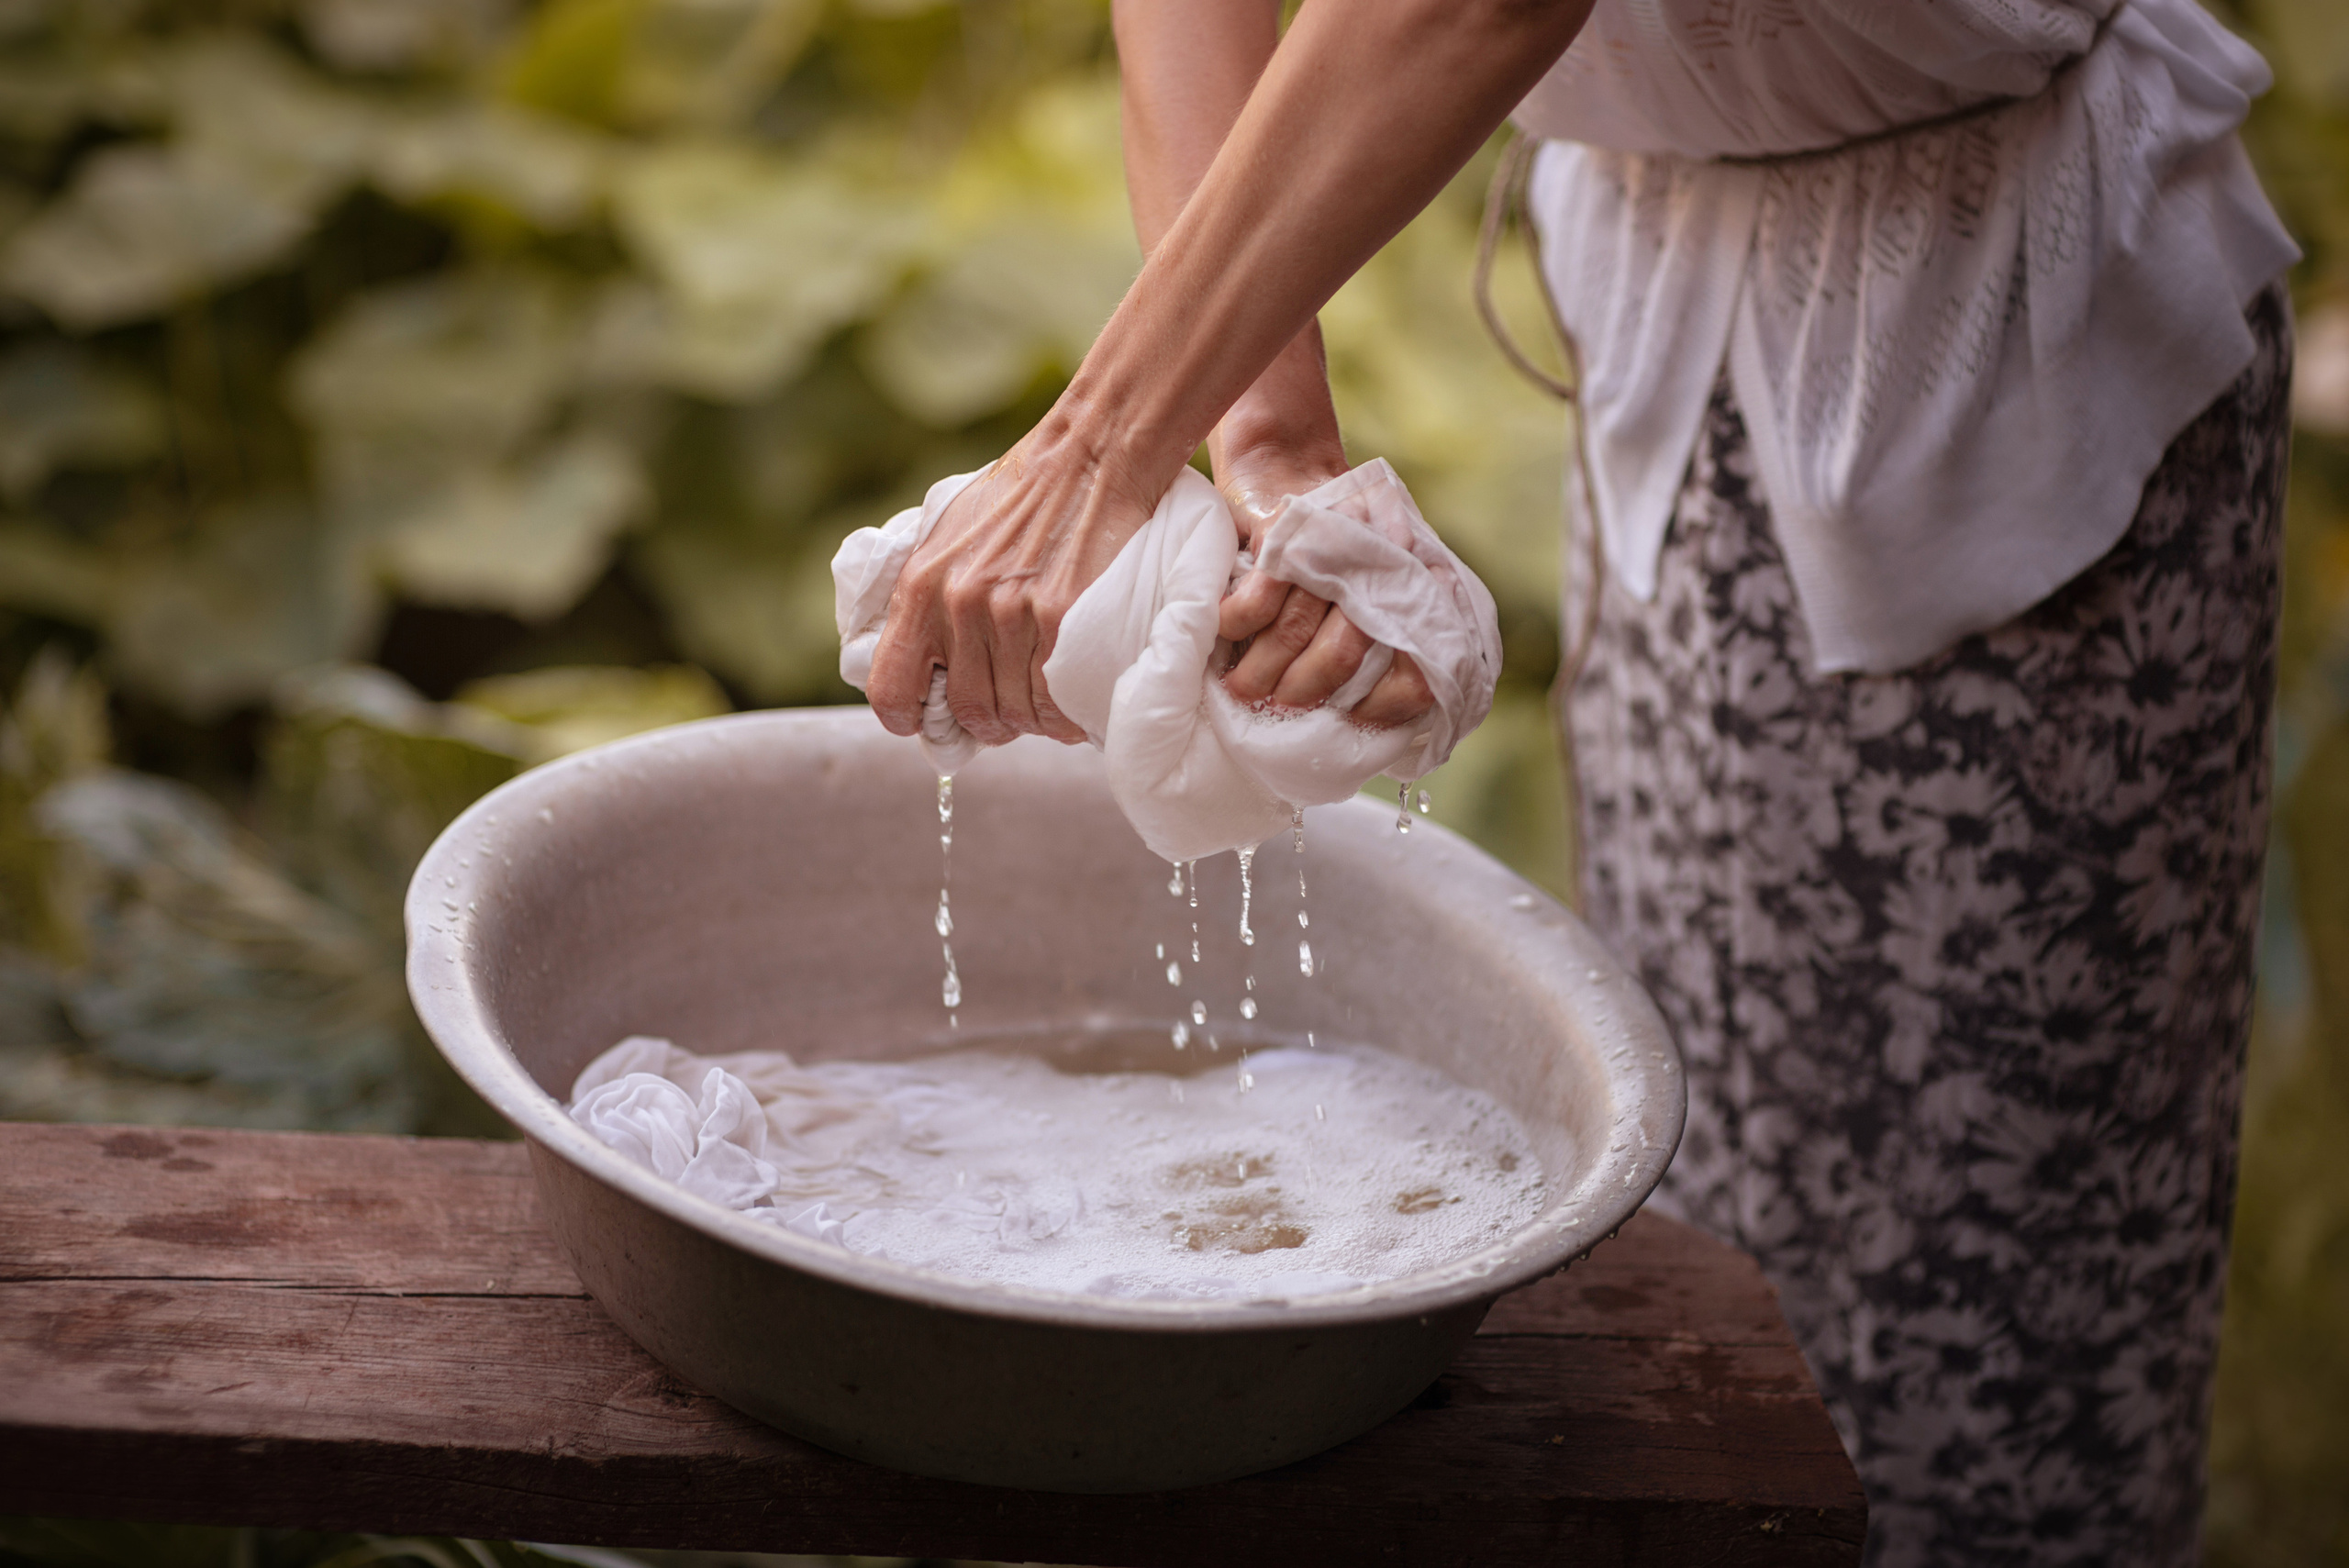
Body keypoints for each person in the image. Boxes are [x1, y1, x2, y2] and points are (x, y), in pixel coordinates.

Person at [860, 0, 2299, 1560]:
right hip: (1673, 332)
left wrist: (1094, 451)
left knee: (1970, 1310)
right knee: (1701, 1237)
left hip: (1993, 361)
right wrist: (1268, 438)